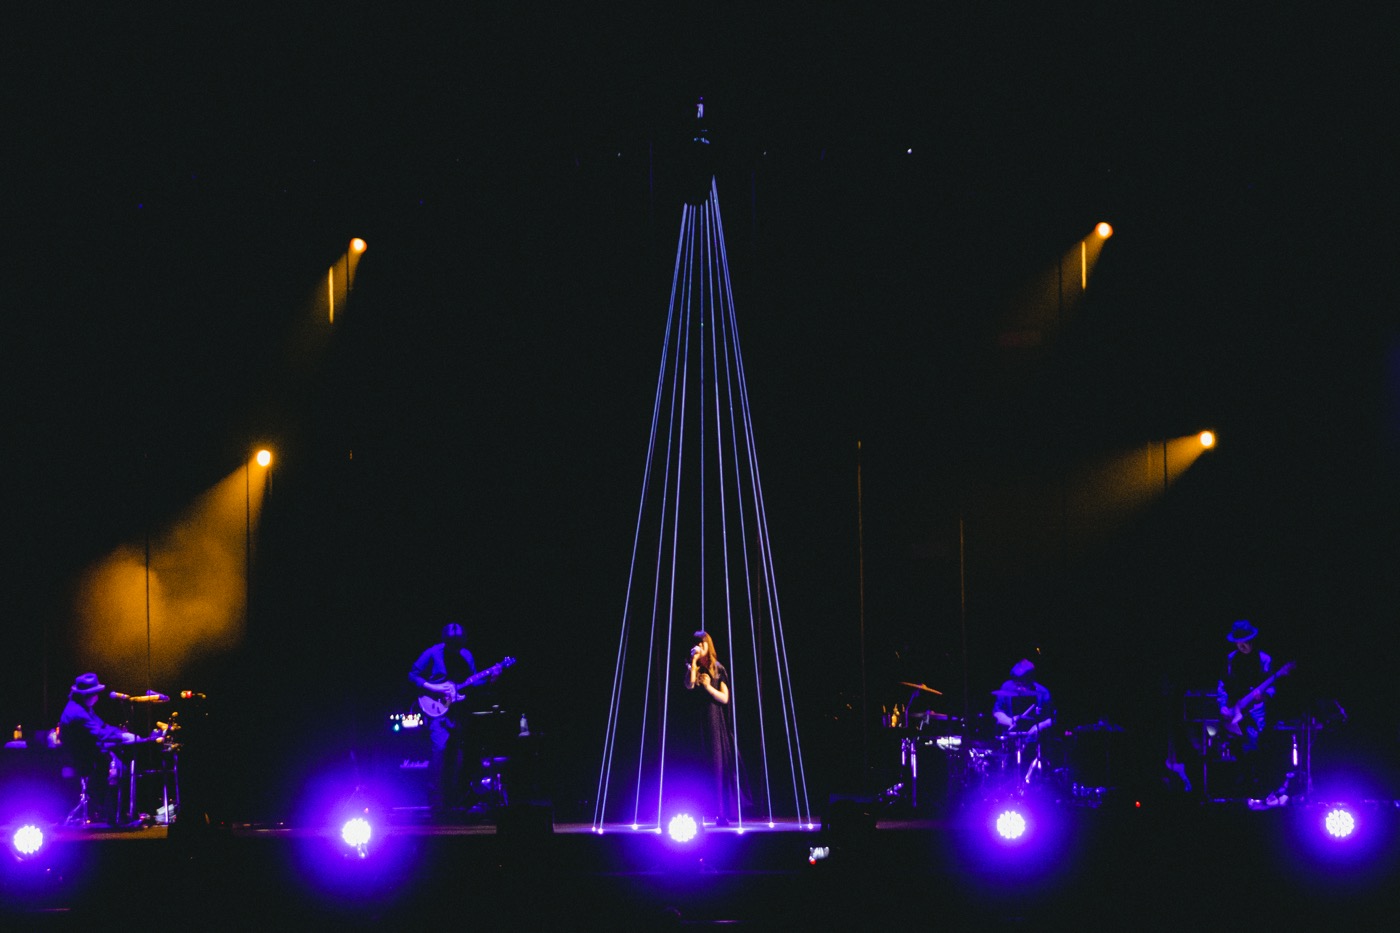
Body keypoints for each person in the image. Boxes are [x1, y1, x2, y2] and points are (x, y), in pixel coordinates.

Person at [409, 623, 497, 815]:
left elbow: (472, 683)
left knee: (457, 755)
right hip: (436, 710)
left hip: (457, 712)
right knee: (439, 751)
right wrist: (435, 687)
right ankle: (436, 802)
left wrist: (490, 679)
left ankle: (453, 800)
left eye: (458, 644)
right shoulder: (432, 653)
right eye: (451, 644)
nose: (455, 648)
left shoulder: (466, 656)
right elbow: (413, 675)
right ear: (445, 640)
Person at [58, 672, 139, 827]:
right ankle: (113, 815)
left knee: (118, 764)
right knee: (118, 769)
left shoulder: (84, 708)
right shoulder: (77, 713)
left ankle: (117, 814)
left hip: (89, 754)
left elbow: (102, 726)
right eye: (95, 693)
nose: (97, 697)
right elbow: (98, 733)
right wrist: (122, 737)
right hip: (81, 759)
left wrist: (120, 733)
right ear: (86, 695)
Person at [1214, 619, 1282, 805]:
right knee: (1236, 752)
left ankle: (1261, 792)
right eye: (1238, 642)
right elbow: (1222, 685)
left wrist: (1264, 695)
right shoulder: (1231, 659)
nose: (1241, 646)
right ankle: (1241, 793)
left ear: (1252, 640)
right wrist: (1222, 705)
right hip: (1234, 712)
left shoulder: (1264, 660)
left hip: (1256, 713)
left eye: (1244, 642)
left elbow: (1272, 687)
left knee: (1255, 749)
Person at [685, 630, 739, 826]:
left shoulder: (718, 668)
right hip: (696, 722)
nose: (699, 646)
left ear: (709, 644)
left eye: (702, 643)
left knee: (717, 766)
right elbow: (689, 685)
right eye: (696, 643)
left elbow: (725, 698)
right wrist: (693, 663)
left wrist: (708, 687)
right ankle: (698, 813)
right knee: (698, 766)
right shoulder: (692, 666)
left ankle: (721, 813)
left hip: (714, 721)